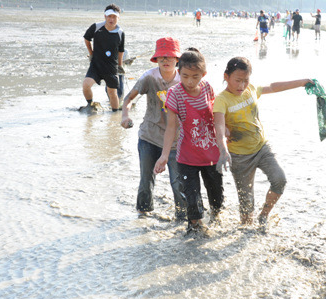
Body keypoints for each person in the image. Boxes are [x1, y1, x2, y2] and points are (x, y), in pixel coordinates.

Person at [213, 57, 311, 229]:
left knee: (279, 180)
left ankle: (264, 215)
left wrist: (302, 82)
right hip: (239, 157)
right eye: (237, 80)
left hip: (261, 148)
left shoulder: (251, 89)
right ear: (226, 77)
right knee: (246, 207)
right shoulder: (222, 100)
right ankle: (247, 235)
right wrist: (223, 150)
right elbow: (219, 126)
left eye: (246, 80)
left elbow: (273, 87)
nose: (242, 86)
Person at [154, 48, 223, 237]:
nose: (190, 82)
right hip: (186, 157)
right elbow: (171, 128)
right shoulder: (174, 94)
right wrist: (164, 155)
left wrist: (226, 141)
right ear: (179, 71)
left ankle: (216, 224)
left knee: (216, 199)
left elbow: (218, 118)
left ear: (204, 74)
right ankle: (194, 233)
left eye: (195, 76)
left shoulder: (208, 88)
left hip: (211, 155)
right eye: (185, 76)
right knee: (192, 201)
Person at [120, 37, 188, 220]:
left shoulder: (184, 78)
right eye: (161, 57)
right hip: (149, 136)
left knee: (178, 183)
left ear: (177, 60)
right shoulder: (149, 77)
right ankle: (142, 218)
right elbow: (128, 99)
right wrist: (125, 115)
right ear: (156, 59)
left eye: (170, 57)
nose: (165, 61)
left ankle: (182, 220)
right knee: (146, 181)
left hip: (176, 140)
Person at [83, 4, 125, 112]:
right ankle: (90, 104)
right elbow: (87, 38)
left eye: (114, 17)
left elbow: (121, 51)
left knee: (112, 93)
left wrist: (120, 66)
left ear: (118, 18)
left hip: (111, 67)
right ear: (105, 16)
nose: (111, 19)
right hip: (96, 65)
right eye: (109, 16)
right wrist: (91, 53)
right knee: (86, 85)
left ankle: (115, 114)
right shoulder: (96, 27)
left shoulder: (120, 33)